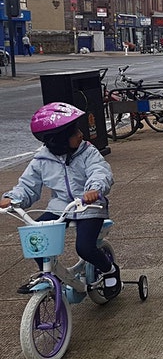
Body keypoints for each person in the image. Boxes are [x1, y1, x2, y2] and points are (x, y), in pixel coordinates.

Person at [1, 102, 120, 297]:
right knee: (36, 239)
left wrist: (93, 189)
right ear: (59, 140)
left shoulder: (88, 152)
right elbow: (28, 185)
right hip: (60, 208)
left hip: (89, 207)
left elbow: (100, 172)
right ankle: (48, 274)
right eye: (74, 133)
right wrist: (12, 198)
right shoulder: (41, 159)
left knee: (85, 247)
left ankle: (109, 269)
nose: (80, 134)